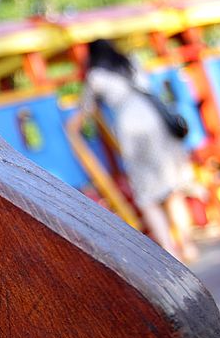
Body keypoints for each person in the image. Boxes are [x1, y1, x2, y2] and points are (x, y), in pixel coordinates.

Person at [80, 39, 199, 263]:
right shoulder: (130, 62)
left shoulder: (95, 75)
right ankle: (188, 245)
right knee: (172, 190)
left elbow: (85, 108)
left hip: (130, 123)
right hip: (155, 117)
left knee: (147, 196)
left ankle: (170, 253)